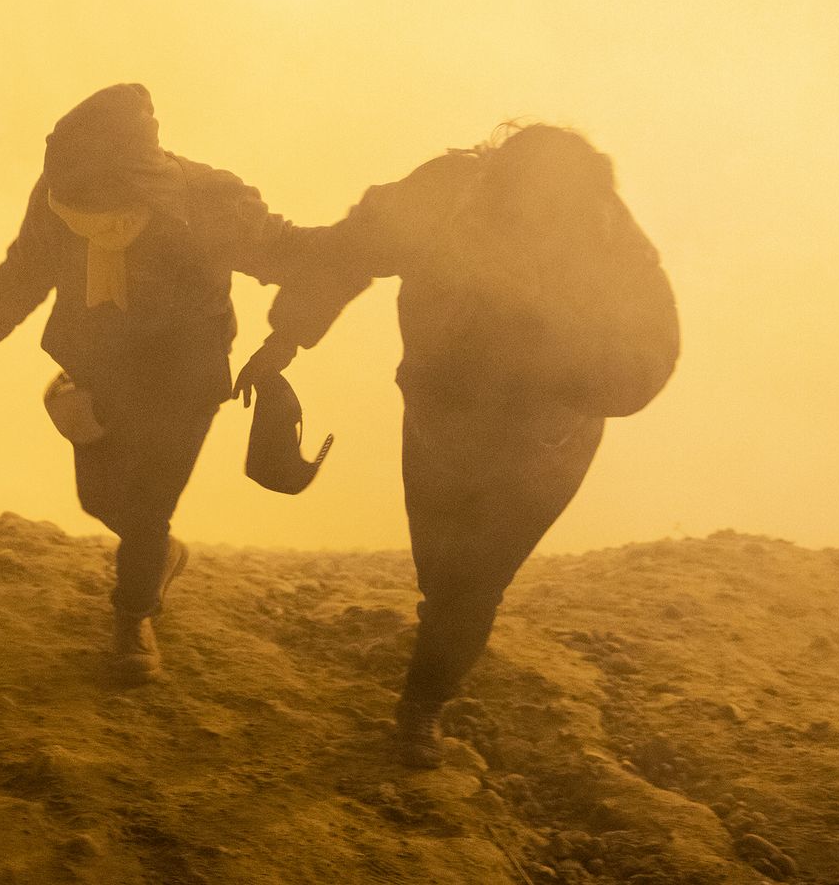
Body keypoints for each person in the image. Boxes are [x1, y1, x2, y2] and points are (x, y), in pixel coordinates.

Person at [237, 123, 679, 767]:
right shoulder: (443, 197)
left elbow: (648, 357)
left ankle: (420, 710)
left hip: (544, 443)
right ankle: (438, 650)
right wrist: (286, 339)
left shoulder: (611, 248)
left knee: (471, 582)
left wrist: (562, 355)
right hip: (440, 417)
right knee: (439, 565)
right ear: (494, 183)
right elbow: (351, 251)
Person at [0, 83, 304, 680]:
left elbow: (290, 255)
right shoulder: (62, 194)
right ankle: (160, 557)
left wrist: (285, 339)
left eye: (87, 184)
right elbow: (26, 269)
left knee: (146, 505)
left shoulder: (208, 199)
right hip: (98, 369)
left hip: (184, 376)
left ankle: (132, 619)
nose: (72, 195)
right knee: (100, 498)